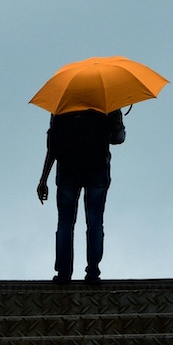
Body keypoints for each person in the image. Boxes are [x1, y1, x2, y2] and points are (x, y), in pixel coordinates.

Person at [37, 107, 125, 285]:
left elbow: (52, 144)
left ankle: (63, 273)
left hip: (68, 171)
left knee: (65, 223)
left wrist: (43, 178)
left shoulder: (63, 103)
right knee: (95, 221)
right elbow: (118, 138)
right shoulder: (108, 101)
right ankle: (93, 272)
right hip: (97, 170)